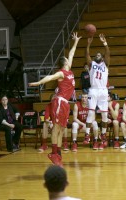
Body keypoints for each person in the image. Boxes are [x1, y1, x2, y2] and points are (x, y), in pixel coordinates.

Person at [29, 32, 81, 166]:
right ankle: (53, 152)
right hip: (59, 102)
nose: (70, 60)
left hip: (65, 104)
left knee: (62, 129)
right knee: (56, 128)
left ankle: (57, 154)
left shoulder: (69, 72)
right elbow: (49, 78)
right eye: (67, 60)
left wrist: (75, 42)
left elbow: (72, 53)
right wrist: (38, 83)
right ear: (65, 63)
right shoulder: (61, 73)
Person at [83, 33, 110, 150]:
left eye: (100, 54)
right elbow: (87, 55)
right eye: (96, 54)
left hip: (103, 90)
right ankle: (87, 134)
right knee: (90, 113)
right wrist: (88, 44)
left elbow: (108, 53)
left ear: (102, 58)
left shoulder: (106, 64)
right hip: (93, 90)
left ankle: (103, 134)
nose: (98, 55)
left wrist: (105, 43)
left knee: (104, 114)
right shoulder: (91, 64)